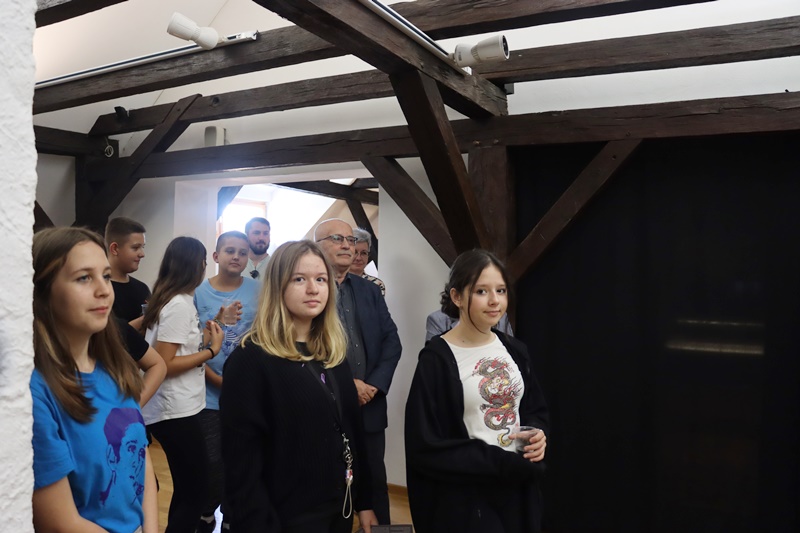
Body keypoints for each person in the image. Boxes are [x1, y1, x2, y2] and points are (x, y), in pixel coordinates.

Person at [221, 240, 378, 532]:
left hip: (338, 508)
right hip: (283, 518)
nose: (313, 289)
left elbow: (352, 430)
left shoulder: (332, 353)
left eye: (320, 279)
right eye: (299, 279)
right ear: (278, 286)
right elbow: (241, 466)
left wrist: (366, 501)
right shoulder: (251, 360)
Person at [405, 250, 549, 533]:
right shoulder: (436, 360)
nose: (495, 300)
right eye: (482, 291)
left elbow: (534, 408)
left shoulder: (515, 349)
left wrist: (539, 434)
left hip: (518, 488)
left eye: (501, 290)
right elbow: (426, 445)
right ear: (457, 296)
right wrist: (497, 461)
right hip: (468, 499)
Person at [30, 227, 158, 533]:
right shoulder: (36, 392)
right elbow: (61, 522)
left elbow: (141, 462)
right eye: (84, 278)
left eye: (106, 276)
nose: (104, 290)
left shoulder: (115, 368)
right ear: (43, 292)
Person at [314, 219, 402, 525]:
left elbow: (392, 342)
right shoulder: (311, 291)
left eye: (350, 240)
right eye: (337, 238)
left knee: (375, 480)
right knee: (329, 481)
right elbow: (308, 349)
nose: (346, 245)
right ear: (317, 246)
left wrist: (372, 385)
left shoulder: (370, 291)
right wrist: (347, 384)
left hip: (370, 405)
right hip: (327, 407)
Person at [141, 236, 224, 533]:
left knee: (191, 487)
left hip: (179, 408)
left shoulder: (175, 299)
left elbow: (181, 347)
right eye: (205, 262)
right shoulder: (178, 304)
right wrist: (212, 351)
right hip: (173, 410)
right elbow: (164, 364)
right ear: (197, 265)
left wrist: (212, 330)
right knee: (195, 491)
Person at [194, 231, 259, 533]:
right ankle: (207, 511)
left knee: (243, 460)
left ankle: (233, 515)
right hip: (208, 394)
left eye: (243, 252)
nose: (236, 257)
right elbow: (193, 347)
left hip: (248, 394)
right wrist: (219, 381)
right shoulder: (199, 293)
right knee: (213, 462)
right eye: (230, 251)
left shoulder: (259, 291)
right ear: (216, 256)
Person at [105, 217, 150, 324]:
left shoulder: (142, 289)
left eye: (142, 247)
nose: (142, 254)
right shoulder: (101, 290)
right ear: (114, 249)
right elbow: (105, 332)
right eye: (135, 248)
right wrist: (143, 321)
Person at [425, 309, 514, 342]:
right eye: (480, 291)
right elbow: (432, 368)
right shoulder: (437, 320)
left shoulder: (501, 315)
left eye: (500, 291)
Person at [351, 228, 386, 296]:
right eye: (355, 252)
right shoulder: (334, 281)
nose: (358, 258)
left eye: (363, 253)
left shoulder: (376, 284)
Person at [244, 217, 271, 281]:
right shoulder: (237, 264)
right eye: (256, 233)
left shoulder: (277, 266)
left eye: (265, 233)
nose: (261, 238)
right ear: (247, 235)